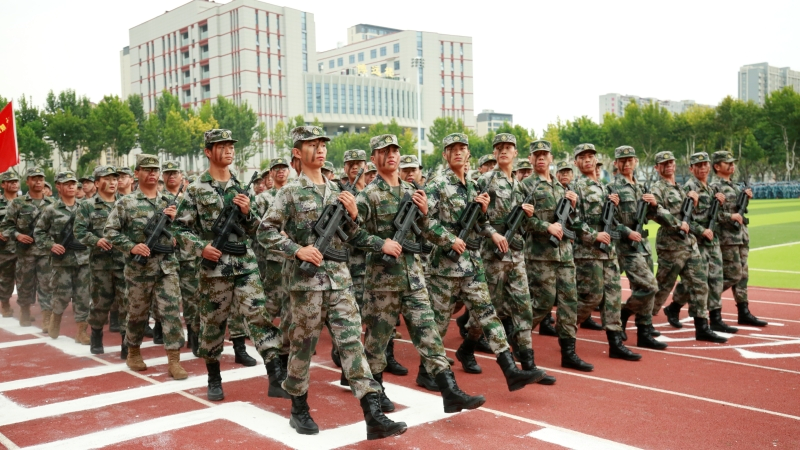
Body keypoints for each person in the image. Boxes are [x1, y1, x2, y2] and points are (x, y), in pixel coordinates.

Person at [258, 126, 407, 439]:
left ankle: (373, 414)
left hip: (339, 281)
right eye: (312, 145)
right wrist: (297, 249)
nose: (320, 150)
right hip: (306, 285)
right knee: (302, 348)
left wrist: (357, 218)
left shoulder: (338, 191)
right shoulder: (289, 192)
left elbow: (354, 236)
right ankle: (298, 409)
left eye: (322, 144)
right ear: (297, 152)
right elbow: (265, 231)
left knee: (352, 344)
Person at [349, 133, 486, 414]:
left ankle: (450, 391)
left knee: (430, 335)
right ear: (373, 159)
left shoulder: (412, 191)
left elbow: (426, 228)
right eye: (384, 151)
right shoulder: (367, 195)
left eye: (394, 151)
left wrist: (432, 222)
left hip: (414, 279)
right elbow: (352, 233)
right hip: (383, 282)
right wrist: (380, 243)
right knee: (377, 342)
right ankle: (376, 392)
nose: (391, 155)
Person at [422, 132, 546, 389]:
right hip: (444, 266)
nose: (458, 152)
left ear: (468, 153)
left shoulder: (473, 186)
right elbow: (424, 221)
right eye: (452, 149)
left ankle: (511, 370)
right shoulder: (437, 184)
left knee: (489, 314)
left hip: (471, 263)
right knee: (439, 323)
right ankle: (426, 372)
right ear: (445, 154)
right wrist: (448, 239)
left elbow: (481, 223)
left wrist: (487, 220)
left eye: (462, 148)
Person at [173, 130, 287, 401]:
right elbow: (179, 228)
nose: (228, 150)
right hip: (214, 268)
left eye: (230, 146)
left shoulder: (239, 188)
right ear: (208, 152)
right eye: (221, 146)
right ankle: (214, 378)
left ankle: (275, 376)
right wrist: (201, 247)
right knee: (213, 323)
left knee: (258, 316)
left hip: (245, 264)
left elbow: (256, 228)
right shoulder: (196, 189)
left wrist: (247, 212)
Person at [104, 154, 190, 379]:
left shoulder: (170, 202)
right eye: (147, 169)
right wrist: (132, 247)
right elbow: (110, 232)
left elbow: (187, 233)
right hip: (139, 270)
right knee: (137, 313)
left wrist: (175, 225)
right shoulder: (126, 203)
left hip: (167, 268)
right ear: (137, 173)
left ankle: (174, 361)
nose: (152, 173)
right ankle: (133, 351)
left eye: (155, 170)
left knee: (171, 312)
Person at [479, 134, 555, 384]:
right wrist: (492, 233)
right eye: (499, 148)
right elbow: (475, 218)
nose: (504, 151)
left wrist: (529, 216)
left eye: (508, 148)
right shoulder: (486, 180)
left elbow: (527, 224)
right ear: (494, 153)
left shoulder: (520, 186)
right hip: (493, 255)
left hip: (516, 254)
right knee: (488, 310)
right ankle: (467, 348)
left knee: (523, 308)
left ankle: (529, 364)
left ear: (515, 152)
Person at [522, 140, 592, 371]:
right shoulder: (525, 186)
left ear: (551, 158)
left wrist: (573, 206)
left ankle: (569, 353)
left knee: (569, 303)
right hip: (540, 256)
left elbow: (572, 222)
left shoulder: (562, 188)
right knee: (542, 303)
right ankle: (519, 338)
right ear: (531, 159)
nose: (541, 158)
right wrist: (546, 227)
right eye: (537, 155)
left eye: (545, 154)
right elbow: (523, 220)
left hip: (565, 256)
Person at [571, 143, 642, 362]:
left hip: (609, 251)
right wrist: (594, 235)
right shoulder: (574, 188)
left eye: (590, 156)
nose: (587, 160)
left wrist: (626, 229)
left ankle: (616, 343)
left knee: (613, 297)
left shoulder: (604, 189)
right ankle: (567, 329)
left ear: (596, 160)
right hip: (587, 252)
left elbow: (613, 221)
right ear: (576, 162)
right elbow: (573, 220)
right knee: (591, 297)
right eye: (582, 157)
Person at [649, 151, 727, 343]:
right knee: (662, 287)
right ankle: (644, 321)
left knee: (699, 284)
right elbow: (655, 213)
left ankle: (702, 328)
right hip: (670, 245)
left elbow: (692, 216)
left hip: (689, 243)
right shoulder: (656, 189)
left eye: (671, 162)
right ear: (657, 167)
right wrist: (679, 224)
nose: (668, 165)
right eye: (664, 163)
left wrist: (694, 202)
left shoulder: (680, 188)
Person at [668, 152, 738, 334]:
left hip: (713, 241)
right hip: (697, 243)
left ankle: (716, 319)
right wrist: (701, 230)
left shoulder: (712, 188)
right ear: (691, 168)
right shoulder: (689, 189)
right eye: (698, 165)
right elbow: (684, 219)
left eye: (705, 164)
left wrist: (722, 206)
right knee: (697, 282)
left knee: (716, 280)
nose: (702, 168)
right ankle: (676, 308)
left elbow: (717, 216)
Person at [609, 146, 667, 349]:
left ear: (635, 161)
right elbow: (609, 220)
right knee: (650, 286)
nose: (626, 164)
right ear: (616, 163)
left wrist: (654, 205)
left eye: (630, 160)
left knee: (644, 289)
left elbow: (651, 216)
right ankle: (624, 313)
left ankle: (644, 332)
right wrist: (626, 232)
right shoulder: (612, 188)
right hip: (625, 247)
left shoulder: (641, 188)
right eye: (622, 160)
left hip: (643, 245)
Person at [75, 166, 128, 355]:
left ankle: (127, 344)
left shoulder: (125, 203)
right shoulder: (87, 206)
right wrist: (96, 241)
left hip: (124, 263)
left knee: (126, 303)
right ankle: (96, 334)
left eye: (115, 179)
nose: (113, 182)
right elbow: (79, 231)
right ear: (97, 183)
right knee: (100, 304)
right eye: (107, 179)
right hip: (100, 265)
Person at [710, 150, 766, 327]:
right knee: (732, 275)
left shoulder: (734, 186)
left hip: (740, 236)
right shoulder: (714, 187)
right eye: (727, 163)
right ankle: (707, 300)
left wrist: (746, 199)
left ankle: (744, 312)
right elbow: (711, 214)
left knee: (743, 276)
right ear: (717, 166)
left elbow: (739, 210)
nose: (732, 165)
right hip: (727, 238)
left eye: (732, 162)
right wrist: (730, 216)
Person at [34, 171, 92, 343]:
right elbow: (39, 232)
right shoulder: (51, 210)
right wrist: (51, 245)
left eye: (73, 183)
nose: (72, 186)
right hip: (62, 260)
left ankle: (81, 331)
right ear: (58, 186)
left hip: (84, 259)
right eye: (67, 184)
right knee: (62, 294)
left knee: (83, 296)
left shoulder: (85, 207)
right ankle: (56, 317)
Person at [1, 167, 54, 328]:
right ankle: (25, 311)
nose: (38, 182)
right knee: (25, 284)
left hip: (45, 252)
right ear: (28, 182)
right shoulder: (18, 203)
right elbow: (6, 226)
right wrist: (18, 235)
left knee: (46, 284)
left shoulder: (52, 203)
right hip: (25, 252)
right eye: (34, 179)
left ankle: (47, 318)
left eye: (41, 179)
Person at [253, 157, 292, 372]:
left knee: (290, 302)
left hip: (294, 257)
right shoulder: (263, 199)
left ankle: (288, 343)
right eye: (276, 169)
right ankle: (266, 340)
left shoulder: (294, 193)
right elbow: (258, 227)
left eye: (284, 168)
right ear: (270, 174)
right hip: (273, 258)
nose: (281, 172)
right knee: (272, 300)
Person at [0, 172, 20, 318]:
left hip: (24, 247)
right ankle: (5, 303)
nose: (13, 184)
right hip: (5, 248)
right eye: (10, 181)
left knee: (25, 279)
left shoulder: (25, 203)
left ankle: (24, 308)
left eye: (15, 181)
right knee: (6, 278)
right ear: (3, 184)